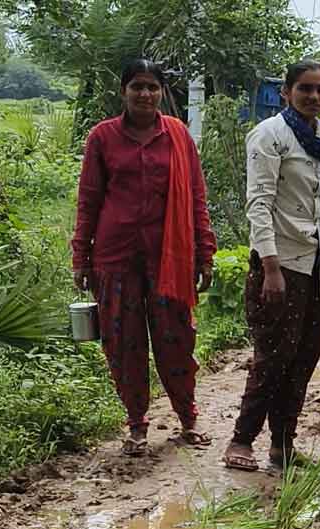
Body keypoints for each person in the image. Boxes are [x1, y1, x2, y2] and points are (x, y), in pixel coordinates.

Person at [71, 59, 216, 457]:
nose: (145, 94)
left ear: (162, 92)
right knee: (124, 342)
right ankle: (136, 423)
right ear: (123, 91)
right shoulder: (102, 138)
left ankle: (187, 418)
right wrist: (80, 257)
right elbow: (89, 201)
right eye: (137, 86)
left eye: (152, 87)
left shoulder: (177, 136)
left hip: (169, 257)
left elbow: (196, 198)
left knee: (176, 338)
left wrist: (206, 252)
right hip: (115, 258)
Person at [223, 60, 320, 472]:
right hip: (282, 263)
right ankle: (241, 440)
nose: (314, 97)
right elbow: (259, 204)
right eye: (305, 89)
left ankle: (282, 445)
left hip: (319, 266)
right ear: (286, 92)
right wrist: (271, 268)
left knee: (304, 358)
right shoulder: (270, 136)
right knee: (272, 357)